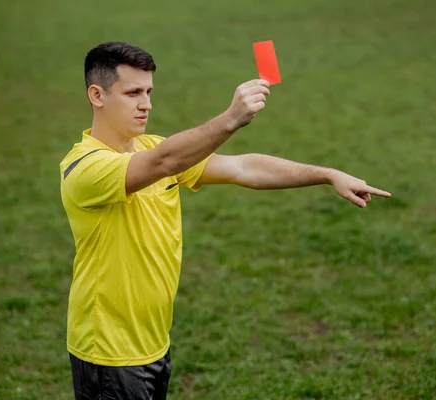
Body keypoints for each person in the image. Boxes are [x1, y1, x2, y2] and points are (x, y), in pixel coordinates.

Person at [59, 41, 391, 400]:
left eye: (150, 91)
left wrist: (327, 174)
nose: (146, 104)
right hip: (108, 352)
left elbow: (243, 167)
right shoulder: (85, 168)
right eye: (133, 93)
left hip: (151, 340)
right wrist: (231, 118)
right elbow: (164, 163)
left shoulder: (150, 147)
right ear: (97, 94)